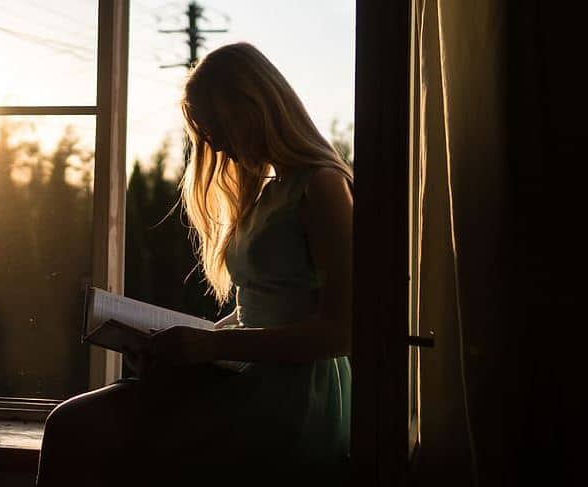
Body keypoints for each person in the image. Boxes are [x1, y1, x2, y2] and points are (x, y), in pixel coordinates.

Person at [35, 42, 353, 487]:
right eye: (205, 134)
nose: (215, 144)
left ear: (253, 104)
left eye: (216, 126)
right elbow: (255, 310)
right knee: (73, 423)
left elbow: (341, 332)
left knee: (81, 428)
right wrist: (173, 348)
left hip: (294, 398)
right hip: (248, 377)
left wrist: (211, 348)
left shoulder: (322, 187)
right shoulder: (267, 194)